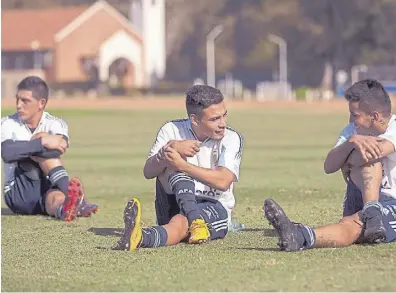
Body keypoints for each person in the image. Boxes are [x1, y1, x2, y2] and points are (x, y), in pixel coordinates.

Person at [264, 79, 396, 251]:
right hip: (363, 201)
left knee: (354, 221)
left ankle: (300, 236)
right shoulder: (353, 132)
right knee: (362, 164)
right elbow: (329, 166)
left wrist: (346, 162)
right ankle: (371, 212)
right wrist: (351, 142)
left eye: (355, 115)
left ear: (374, 116)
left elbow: (373, 154)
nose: (351, 119)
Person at [114, 85, 244, 251]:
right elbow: (148, 172)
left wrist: (182, 165)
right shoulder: (171, 130)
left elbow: (223, 181)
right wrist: (170, 148)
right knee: (171, 156)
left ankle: (141, 237)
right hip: (172, 203)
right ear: (195, 119)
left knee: (182, 222)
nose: (223, 124)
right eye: (214, 119)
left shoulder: (231, 138)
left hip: (214, 206)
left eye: (224, 115)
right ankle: (194, 220)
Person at [1, 76, 98, 221]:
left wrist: (26, 149)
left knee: (58, 198)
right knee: (40, 138)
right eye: (17, 99)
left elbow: (58, 150)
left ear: (41, 103)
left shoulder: (55, 123)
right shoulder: (8, 123)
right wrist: (42, 142)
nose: (18, 105)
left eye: (25, 100)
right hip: (18, 192)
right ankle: (81, 202)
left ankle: (64, 210)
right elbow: (7, 153)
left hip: (46, 186)